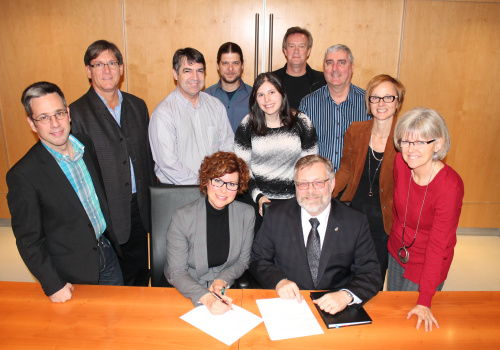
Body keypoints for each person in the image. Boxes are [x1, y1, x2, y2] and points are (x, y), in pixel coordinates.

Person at [7, 82, 123, 303]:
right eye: (43, 117)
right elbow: (28, 241)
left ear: (68, 113)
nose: (55, 124)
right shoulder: (23, 175)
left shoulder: (85, 145)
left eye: (59, 113)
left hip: (106, 253)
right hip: (70, 272)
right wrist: (53, 284)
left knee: (117, 319)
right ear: (32, 124)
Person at [70, 40, 156, 286]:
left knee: (140, 269)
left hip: (139, 205)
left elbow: (147, 156)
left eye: (111, 63)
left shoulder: (138, 105)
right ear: (88, 71)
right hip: (104, 209)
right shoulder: (76, 113)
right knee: (114, 276)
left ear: (121, 68)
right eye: (98, 64)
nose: (106, 70)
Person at [250, 154, 382, 315]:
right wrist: (279, 281)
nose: (310, 191)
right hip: (289, 304)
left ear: (332, 183)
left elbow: (370, 273)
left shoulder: (355, 221)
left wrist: (346, 295)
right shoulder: (276, 216)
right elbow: (258, 260)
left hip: (337, 307)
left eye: (318, 183)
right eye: (303, 184)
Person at [388, 107, 464, 331]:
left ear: (437, 144)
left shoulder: (449, 186)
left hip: (426, 261)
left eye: (420, 142)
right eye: (406, 141)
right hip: (397, 251)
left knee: (411, 323)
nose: (410, 150)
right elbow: (398, 211)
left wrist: (425, 300)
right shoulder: (401, 163)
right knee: (393, 311)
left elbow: (438, 246)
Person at [333, 74, 406, 287]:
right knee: (345, 269)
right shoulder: (356, 130)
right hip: (354, 211)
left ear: (398, 102)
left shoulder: (405, 138)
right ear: (368, 102)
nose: (381, 103)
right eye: (375, 98)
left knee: (373, 273)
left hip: (385, 219)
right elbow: (345, 167)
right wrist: (329, 191)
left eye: (388, 98)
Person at [165, 151, 255, 315]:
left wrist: (222, 280)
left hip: (222, 289)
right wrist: (206, 297)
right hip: (184, 288)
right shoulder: (182, 217)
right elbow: (177, 272)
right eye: (218, 181)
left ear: (238, 187)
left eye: (231, 184)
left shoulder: (247, 214)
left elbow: (242, 261)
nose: (224, 190)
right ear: (206, 181)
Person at [234, 72, 318, 231]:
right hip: (256, 200)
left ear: (282, 93)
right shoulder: (247, 124)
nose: (267, 100)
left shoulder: (302, 122)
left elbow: (310, 167)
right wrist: (259, 197)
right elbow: (242, 169)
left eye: (272, 92)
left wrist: (298, 197)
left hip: (294, 202)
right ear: (255, 99)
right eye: (261, 94)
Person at [149, 47, 234, 185]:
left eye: (200, 71)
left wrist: (218, 180)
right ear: (175, 74)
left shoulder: (216, 106)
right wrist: (203, 183)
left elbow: (227, 147)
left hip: (215, 189)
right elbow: (168, 163)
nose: (195, 77)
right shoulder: (163, 113)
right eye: (187, 71)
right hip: (177, 192)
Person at [299, 44, 370, 171]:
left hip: (356, 185)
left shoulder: (368, 103)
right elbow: (301, 150)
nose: (335, 69)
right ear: (324, 68)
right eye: (329, 63)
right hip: (319, 183)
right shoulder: (308, 104)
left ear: (352, 68)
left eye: (341, 63)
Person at [272, 26, 326, 109]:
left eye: (301, 46)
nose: (296, 51)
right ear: (285, 50)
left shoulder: (322, 81)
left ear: (308, 51)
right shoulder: (271, 80)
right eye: (291, 46)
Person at [205, 42, 252, 132]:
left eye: (235, 63)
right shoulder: (205, 97)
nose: (230, 68)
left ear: (242, 66)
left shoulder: (255, 96)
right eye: (225, 63)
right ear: (218, 66)